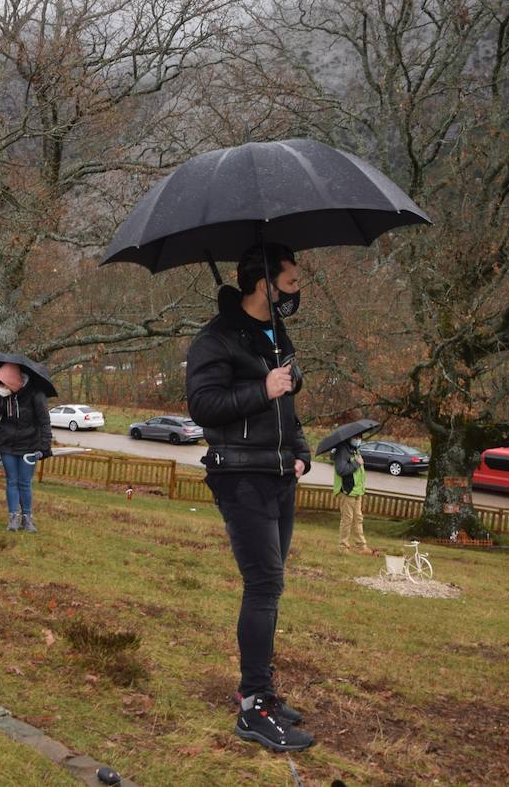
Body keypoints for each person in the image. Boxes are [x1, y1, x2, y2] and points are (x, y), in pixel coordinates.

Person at [185, 242, 314, 752]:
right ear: (264, 284)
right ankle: (253, 710)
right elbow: (203, 405)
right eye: (291, 281)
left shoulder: (274, 333)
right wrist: (264, 388)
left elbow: (287, 409)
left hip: (279, 473)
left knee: (271, 587)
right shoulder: (215, 339)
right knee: (263, 585)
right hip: (240, 477)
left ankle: (258, 688)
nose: (297, 290)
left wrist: (300, 450)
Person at [0, 363, 51, 533]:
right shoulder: (2, 394)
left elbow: (45, 422)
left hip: (29, 446)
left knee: (25, 483)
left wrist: (45, 447)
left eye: (3, 383)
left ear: (14, 381)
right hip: (7, 444)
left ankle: (27, 518)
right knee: (11, 481)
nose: (1, 387)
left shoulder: (36, 394)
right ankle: (13, 517)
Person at [334, 436, 374, 554]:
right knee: (347, 519)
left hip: (357, 491)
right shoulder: (342, 451)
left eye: (360, 437)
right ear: (349, 437)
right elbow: (341, 470)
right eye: (356, 437)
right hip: (347, 490)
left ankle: (361, 546)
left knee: (358, 519)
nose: (359, 439)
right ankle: (343, 547)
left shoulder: (355, 449)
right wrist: (357, 463)